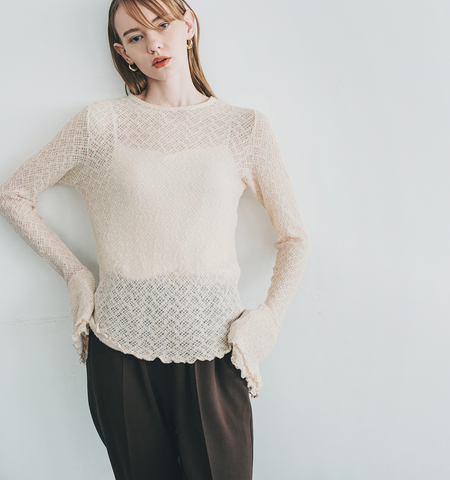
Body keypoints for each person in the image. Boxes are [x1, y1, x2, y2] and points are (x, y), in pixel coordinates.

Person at [0, 0, 310, 478]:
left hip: (216, 348)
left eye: (162, 24)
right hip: (119, 352)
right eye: (135, 36)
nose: (153, 43)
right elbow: (14, 195)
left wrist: (268, 318)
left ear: (188, 24)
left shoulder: (243, 127)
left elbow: (293, 238)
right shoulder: (100, 125)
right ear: (123, 53)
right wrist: (76, 275)